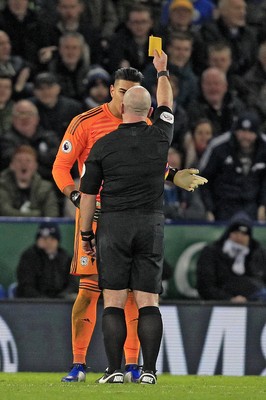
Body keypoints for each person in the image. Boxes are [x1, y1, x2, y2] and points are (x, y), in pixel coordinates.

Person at [52, 64, 206, 383]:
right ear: (111, 91)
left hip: (116, 221)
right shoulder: (85, 123)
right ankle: (79, 364)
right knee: (88, 291)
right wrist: (76, 197)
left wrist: (174, 175)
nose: (124, 100)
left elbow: (153, 164)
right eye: (121, 92)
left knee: (130, 296)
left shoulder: (138, 125)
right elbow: (60, 167)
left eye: (129, 94)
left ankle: (131, 366)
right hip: (98, 216)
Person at [199, 110, 266, 222]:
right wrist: (209, 209)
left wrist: (263, 205)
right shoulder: (219, 147)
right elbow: (203, 179)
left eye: (250, 132)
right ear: (235, 131)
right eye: (242, 131)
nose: (245, 136)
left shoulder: (263, 147)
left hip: (253, 205)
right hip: (224, 205)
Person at [196, 212, 266, 302]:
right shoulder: (211, 252)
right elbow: (205, 287)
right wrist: (229, 299)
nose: (239, 237)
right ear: (228, 233)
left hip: (256, 301)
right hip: (221, 303)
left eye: (244, 234)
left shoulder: (258, 253)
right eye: (236, 232)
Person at [16, 221, 78, 298]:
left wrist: (62, 297)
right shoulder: (29, 257)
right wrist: (44, 300)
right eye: (44, 239)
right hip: (34, 304)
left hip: (60, 303)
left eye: (52, 239)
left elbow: (73, 284)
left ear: (57, 241)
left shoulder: (65, 258)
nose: (48, 242)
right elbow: (26, 286)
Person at [0, 145, 59, 217]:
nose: (24, 164)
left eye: (28, 161)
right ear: (12, 165)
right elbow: (5, 211)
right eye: (19, 160)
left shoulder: (46, 188)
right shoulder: (2, 186)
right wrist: (36, 214)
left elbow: (52, 216)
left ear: (35, 166)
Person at [29, 72, 83, 140]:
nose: (46, 92)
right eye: (41, 89)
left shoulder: (73, 108)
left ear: (58, 88)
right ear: (34, 91)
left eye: (49, 87)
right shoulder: (28, 108)